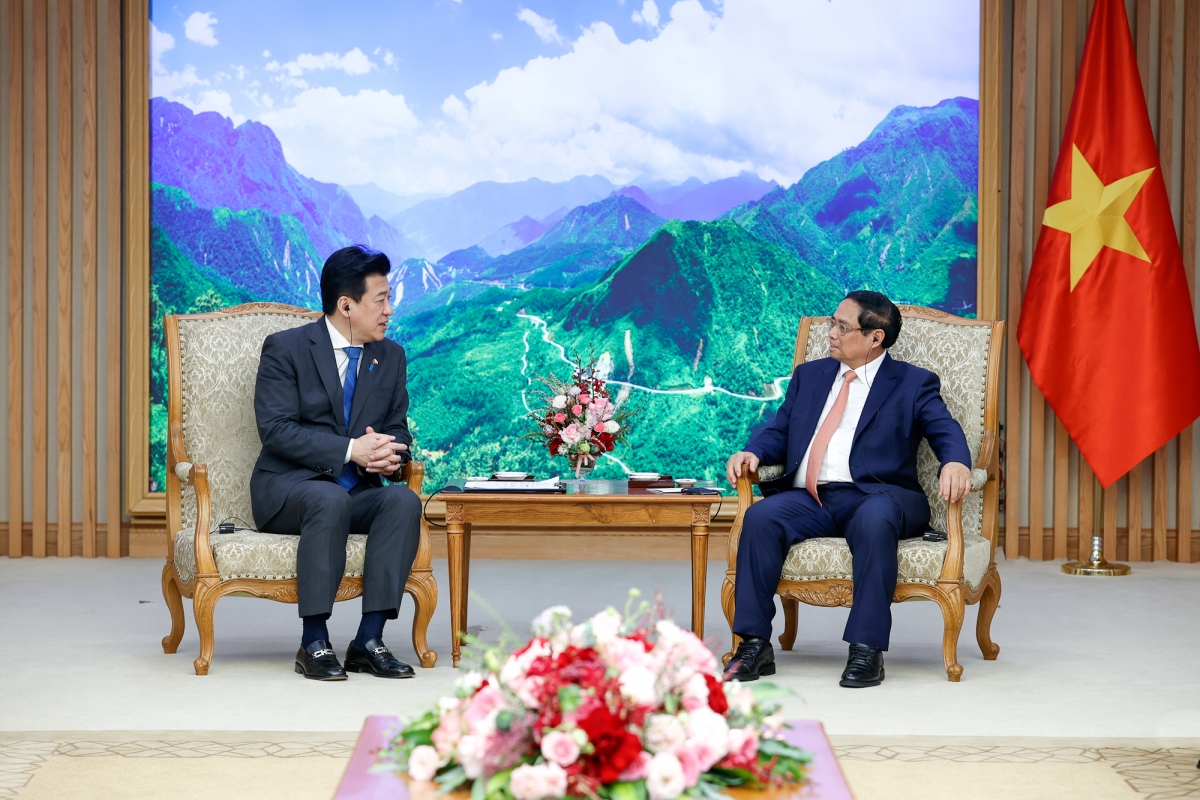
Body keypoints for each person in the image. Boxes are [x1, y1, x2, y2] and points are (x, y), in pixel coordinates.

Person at [723, 291, 971, 687]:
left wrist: (956, 461)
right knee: (760, 517)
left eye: (842, 326)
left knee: (875, 520)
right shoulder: (811, 375)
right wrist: (752, 451)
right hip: (812, 497)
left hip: (878, 496)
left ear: (875, 337)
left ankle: (866, 649)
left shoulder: (912, 382)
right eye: (831, 323)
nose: (831, 333)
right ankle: (753, 644)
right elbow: (780, 429)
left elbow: (944, 428)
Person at [251, 244, 421, 681]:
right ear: (347, 305)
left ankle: (368, 639)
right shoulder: (286, 349)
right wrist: (350, 451)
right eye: (381, 299)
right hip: (288, 491)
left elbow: (399, 430)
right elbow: (276, 430)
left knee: (402, 502)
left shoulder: (391, 356)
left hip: (355, 491)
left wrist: (388, 453)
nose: (389, 309)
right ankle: (314, 641)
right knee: (329, 500)